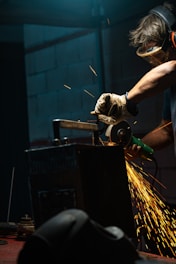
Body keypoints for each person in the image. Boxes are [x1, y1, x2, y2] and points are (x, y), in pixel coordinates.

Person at [91, 0, 176, 158]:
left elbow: (170, 69)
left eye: (160, 56)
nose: (158, 64)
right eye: (152, 58)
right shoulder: (171, 86)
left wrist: (126, 102)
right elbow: (166, 132)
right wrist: (133, 146)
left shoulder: (171, 71)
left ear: (174, 39)